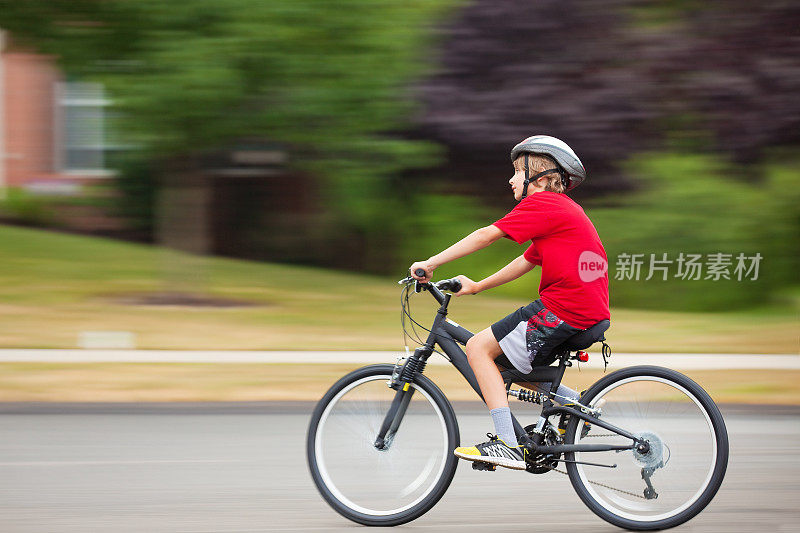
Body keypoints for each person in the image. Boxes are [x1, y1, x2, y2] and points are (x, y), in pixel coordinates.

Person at [409, 135, 610, 470]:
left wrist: (430, 262)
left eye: (518, 172)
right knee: (499, 364)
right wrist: (477, 287)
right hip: (582, 309)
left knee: (476, 348)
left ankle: (507, 444)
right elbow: (527, 260)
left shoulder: (543, 204)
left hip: (563, 307)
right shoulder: (562, 212)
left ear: (542, 180)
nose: (512, 179)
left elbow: (485, 235)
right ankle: (577, 408)